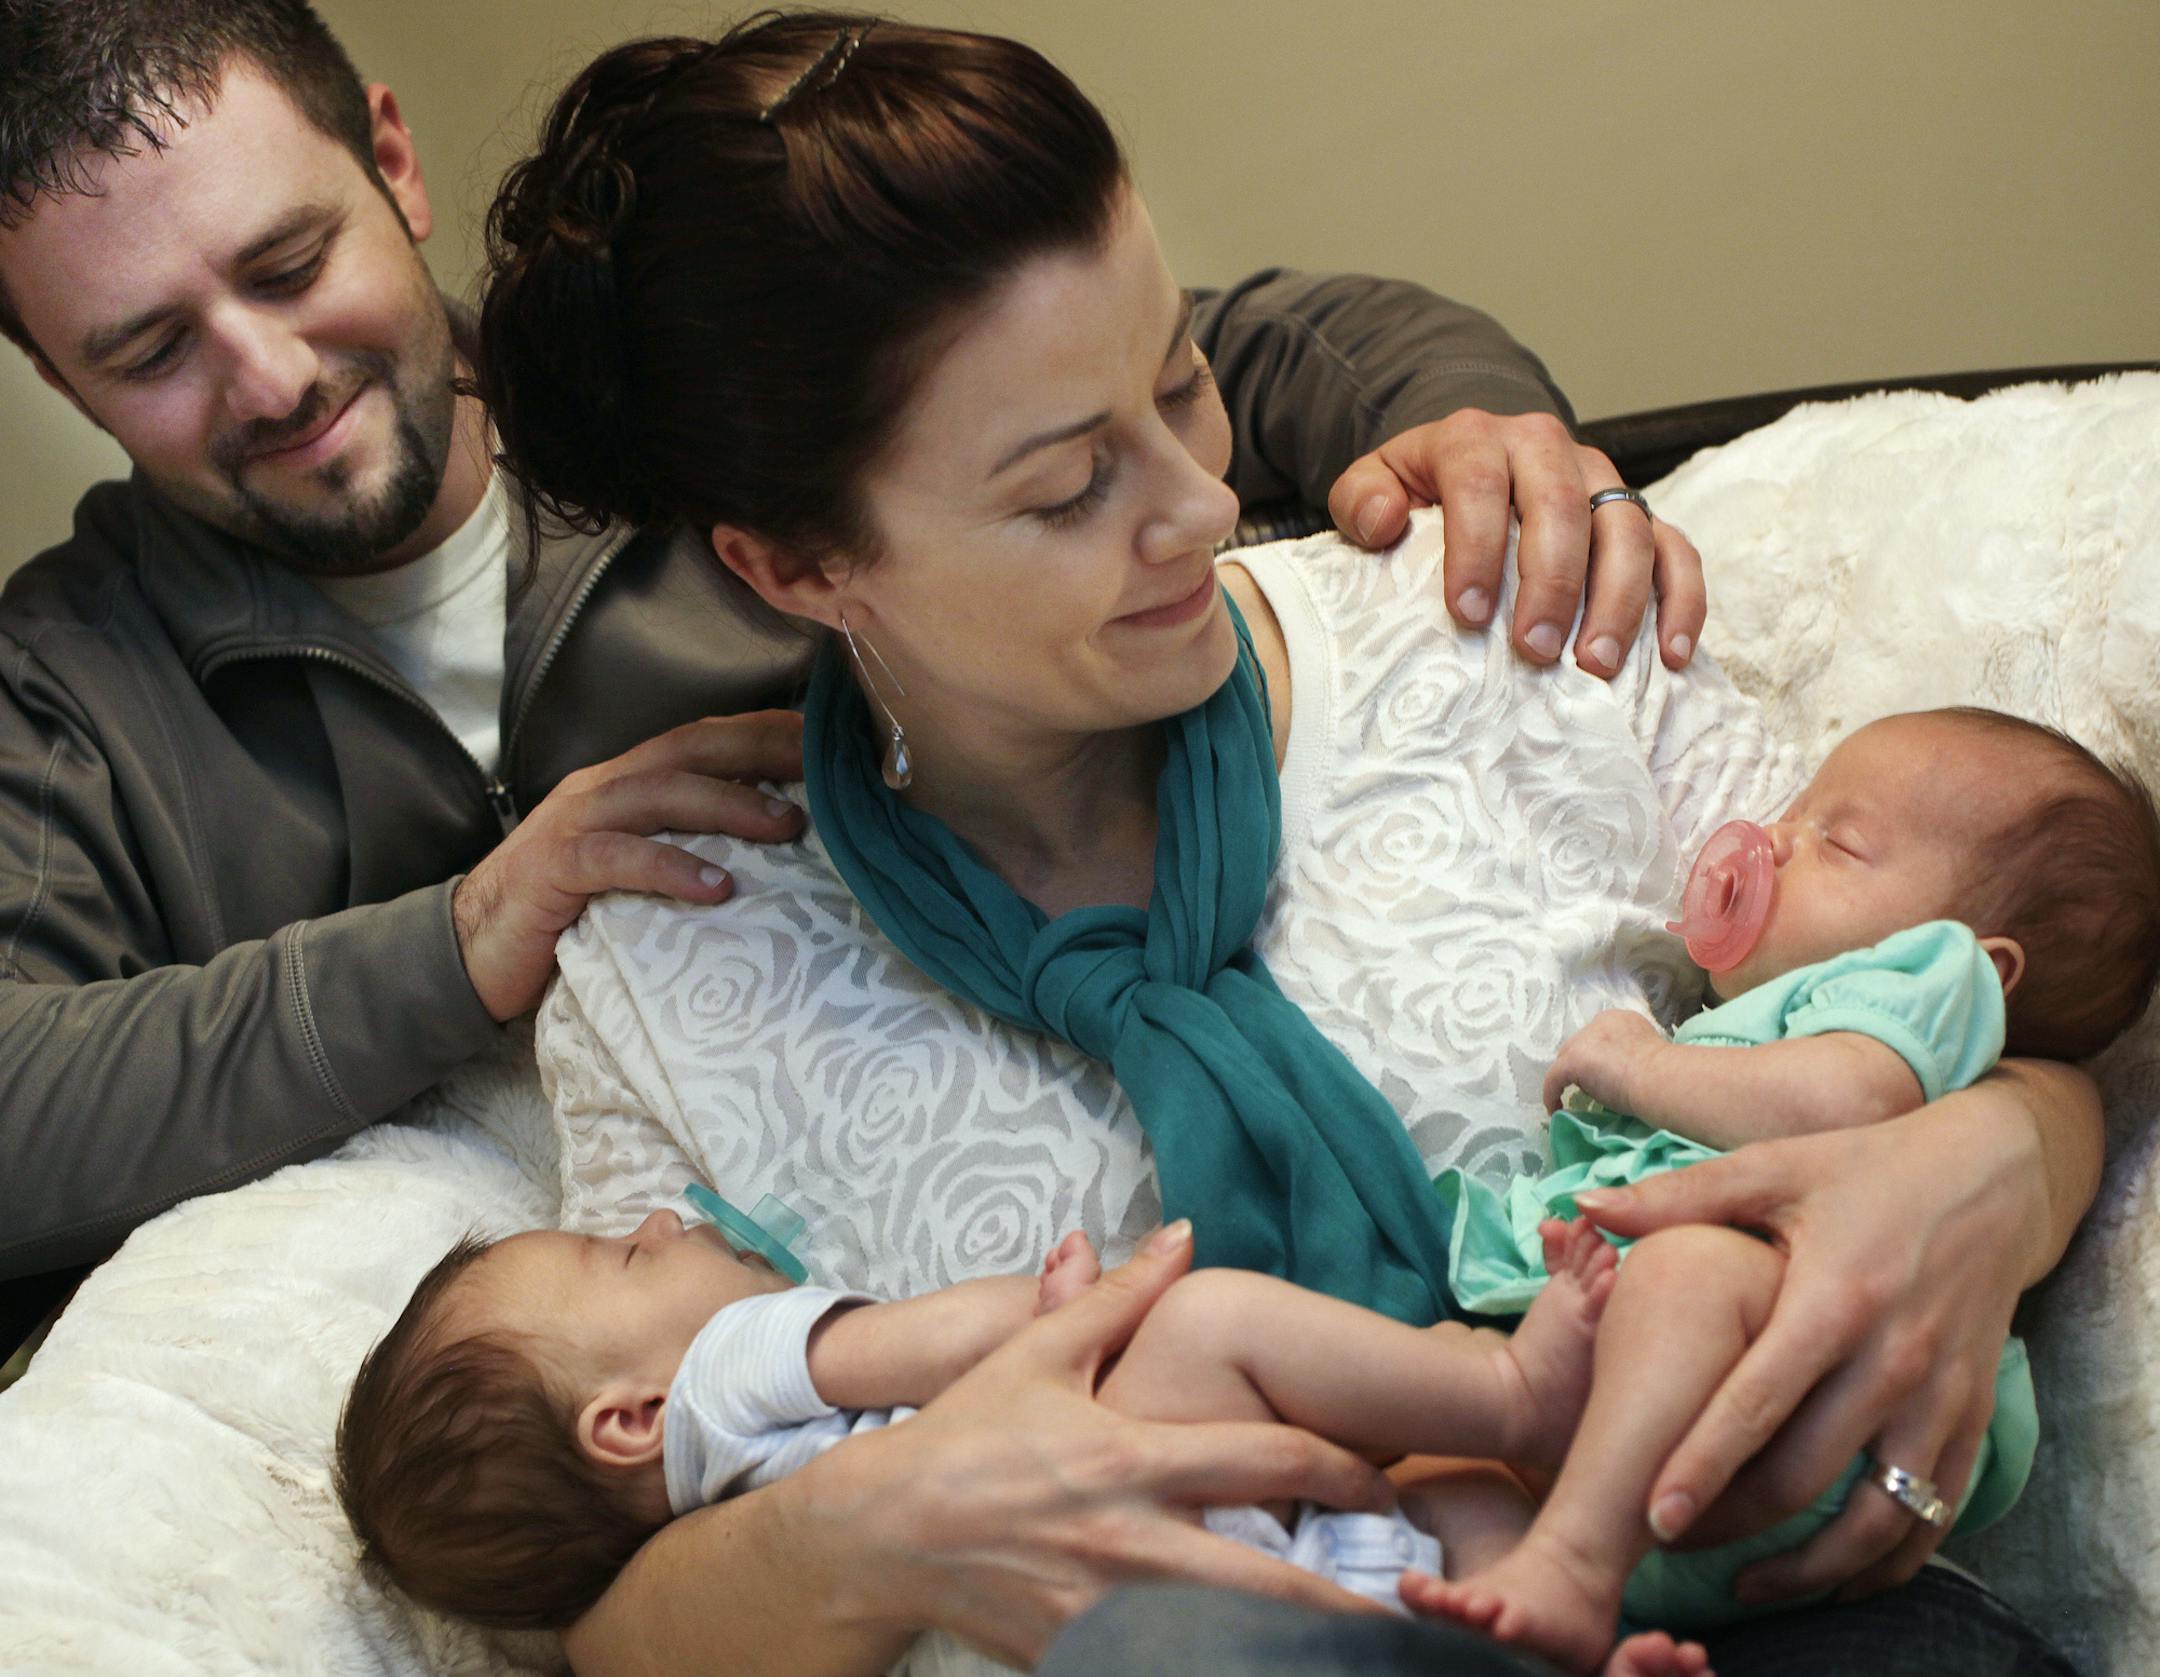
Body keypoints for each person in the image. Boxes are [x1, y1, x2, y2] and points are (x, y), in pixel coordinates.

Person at [470, 14, 2103, 1677]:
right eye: (1067, 486)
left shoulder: (1501, 630)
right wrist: (881, 1526)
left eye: (1181, 379)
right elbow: (598, 1608)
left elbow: (1974, 985)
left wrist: (2006, 1162)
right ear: (797, 568)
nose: (1202, 500)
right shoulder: (679, 957)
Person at [0, 0, 1687, 1311]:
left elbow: (1202, 349)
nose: (272, 375)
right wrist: (460, 942)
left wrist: (1486, 438)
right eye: (149, 350)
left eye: (292, 264)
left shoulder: (707, 396)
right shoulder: (68, 693)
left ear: (391, 159)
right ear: (60, 382)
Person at [1408, 707, 2160, 1671]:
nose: (1769, 838)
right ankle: (1525, 1611)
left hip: (1787, 1401)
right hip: (1626, 1413)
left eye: (1837, 841)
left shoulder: (1914, 994)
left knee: (1685, 1275)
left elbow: (1845, 1104)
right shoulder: (1769, 1014)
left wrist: (1640, 1065)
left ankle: (1571, 1566)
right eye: (1795, 811)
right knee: (1440, 1405)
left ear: (1979, 966)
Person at [334, 1208, 1717, 1676]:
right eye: (614, 1253)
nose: (652, 1220)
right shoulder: (727, 1373)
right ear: (630, 1420)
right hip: (1147, 1511)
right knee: (1217, 1323)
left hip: (1123, 1604)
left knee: (1423, 1523)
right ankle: (1512, 1392)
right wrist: (1057, 1308)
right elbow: (941, 1343)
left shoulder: (718, 1581)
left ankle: (1541, 1630)